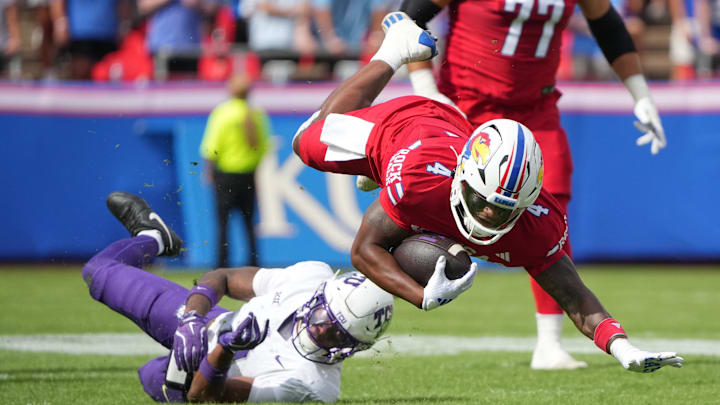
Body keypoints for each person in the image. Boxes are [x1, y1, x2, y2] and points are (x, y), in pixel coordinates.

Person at [292, 12, 683, 374]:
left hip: (449, 148)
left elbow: (575, 297)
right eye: (484, 202)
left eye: (504, 209)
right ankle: (393, 49)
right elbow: (363, 250)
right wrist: (420, 296)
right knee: (305, 141)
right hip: (406, 130)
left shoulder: (536, 223)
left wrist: (623, 348)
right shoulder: (416, 181)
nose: (489, 217)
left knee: (422, 221)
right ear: (465, 178)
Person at [394, 0, 669, 369]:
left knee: (550, 215)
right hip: (465, 105)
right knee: (418, 197)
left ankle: (549, 344)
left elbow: (607, 25)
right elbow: (410, 14)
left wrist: (641, 94)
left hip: (534, 109)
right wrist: (425, 86)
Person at [82, 191, 394, 403]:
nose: (324, 331)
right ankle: (153, 237)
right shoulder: (312, 277)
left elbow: (204, 397)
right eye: (329, 320)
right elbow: (223, 278)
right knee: (98, 272)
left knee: (156, 378)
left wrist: (225, 350)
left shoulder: (312, 386)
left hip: (215, 369)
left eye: (339, 335)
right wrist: (192, 319)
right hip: (209, 322)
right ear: (321, 297)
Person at [200, 73, 271, 268]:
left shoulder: (223, 113)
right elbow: (263, 147)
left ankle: (222, 265)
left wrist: (208, 171)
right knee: (249, 223)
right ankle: (253, 264)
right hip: (248, 174)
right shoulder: (256, 114)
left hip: (225, 175)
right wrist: (252, 166)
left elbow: (211, 145)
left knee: (223, 224)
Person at [49, 0, 133, 80]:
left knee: (105, 77)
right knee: (82, 74)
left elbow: (124, 3)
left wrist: (123, 25)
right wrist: (60, 23)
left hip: (109, 33)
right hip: (80, 32)